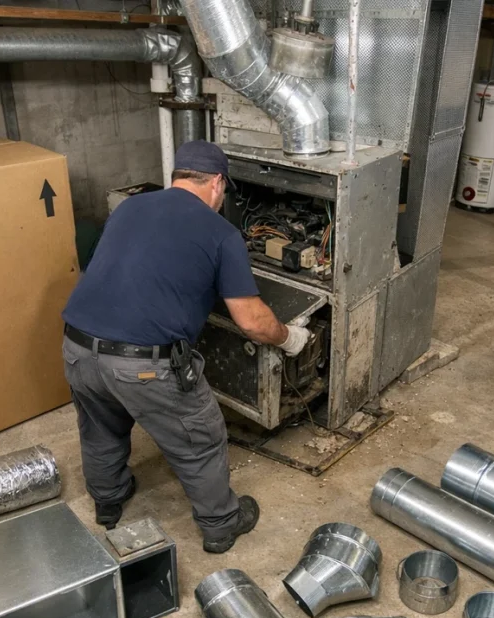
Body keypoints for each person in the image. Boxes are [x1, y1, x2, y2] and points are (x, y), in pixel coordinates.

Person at [61, 141, 311, 553]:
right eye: (224, 192)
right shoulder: (221, 234)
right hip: (141, 366)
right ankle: (221, 525)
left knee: (100, 426)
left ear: (177, 176)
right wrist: (290, 337)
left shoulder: (128, 208)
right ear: (217, 182)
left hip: (77, 348)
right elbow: (251, 322)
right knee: (201, 437)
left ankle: (109, 501)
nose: (222, 200)